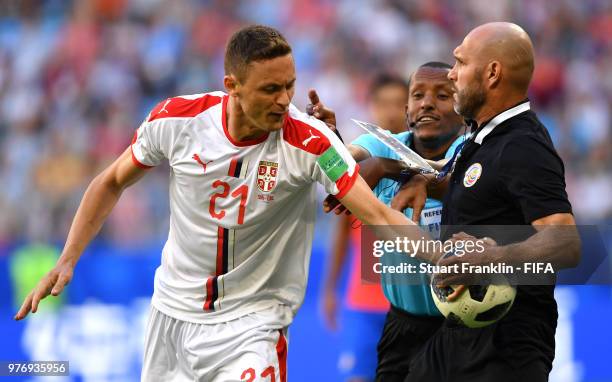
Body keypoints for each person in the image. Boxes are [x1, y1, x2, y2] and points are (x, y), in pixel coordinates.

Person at [14, 25, 421, 381]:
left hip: (254, 323)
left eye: (289, 86)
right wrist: (67, 259)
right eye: (270, 89)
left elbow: (378, 214)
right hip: (171, 318)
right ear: (232, 85)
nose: (284, 100)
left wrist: (439, 259)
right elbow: (110, 182)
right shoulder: (176, 121)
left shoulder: (310, 141)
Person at [393, 22, 580, 382]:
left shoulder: (524, 144)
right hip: (459, 332)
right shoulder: (486, 136)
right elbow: (486, 194)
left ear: (492, 73)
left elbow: (565, 241)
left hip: (505, 345)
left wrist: (491, 257)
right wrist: (427, 185)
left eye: (460, 63)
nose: (452, 74)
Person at [314, 62, 467, 382]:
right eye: (418, 95)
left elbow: (454, 178)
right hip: (391, 314)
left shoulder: (470, 149)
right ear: (409, 109)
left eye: (442, 95)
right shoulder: (380, 143)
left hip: (458, 319)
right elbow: (345, 159)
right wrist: (325, 142)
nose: (427, 102)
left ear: (461, 106)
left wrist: (388, 168)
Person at [321, 73, 406, 382]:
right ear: (371, 107)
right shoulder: (360, 164)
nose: (391, 111)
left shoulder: (425, 165)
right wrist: (330, 288)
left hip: (411, 301)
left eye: (399, 103)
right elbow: (343, 231)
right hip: (365, 301)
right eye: (383, 103)